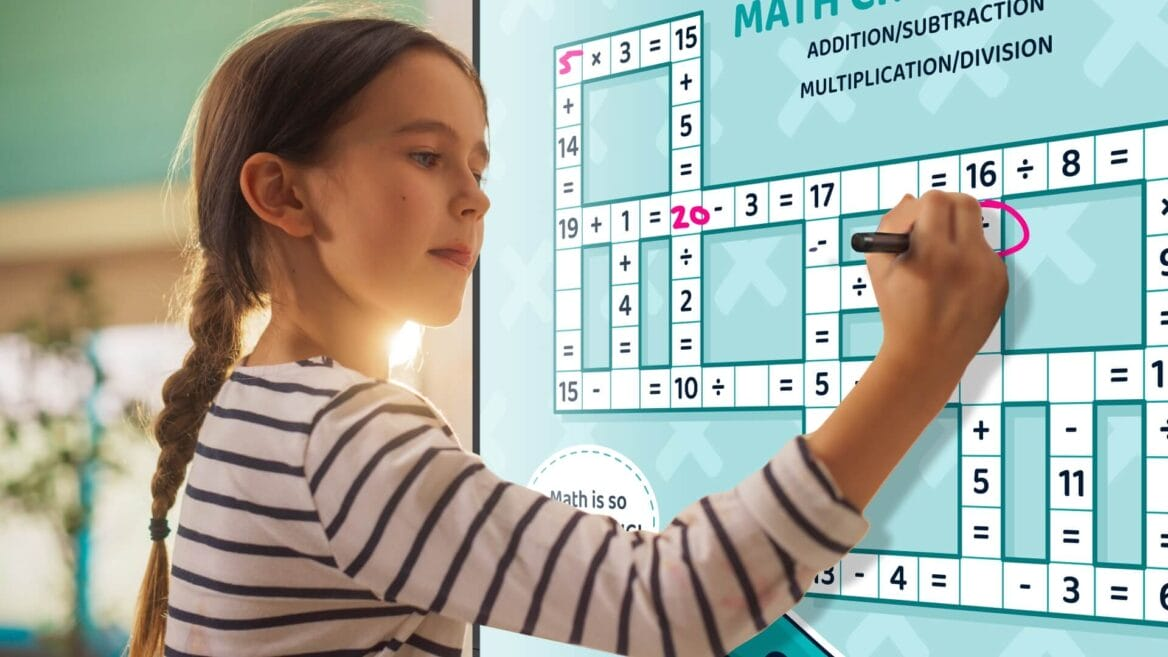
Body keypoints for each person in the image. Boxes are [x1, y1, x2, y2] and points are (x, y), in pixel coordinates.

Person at [128, 3, 1008, 657]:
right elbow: (672, 601)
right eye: (426, 156)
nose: (474, 195)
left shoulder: (253, 412)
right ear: (283, 193)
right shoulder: (342, 436)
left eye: (477, 163)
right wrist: (923, 357)